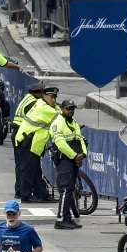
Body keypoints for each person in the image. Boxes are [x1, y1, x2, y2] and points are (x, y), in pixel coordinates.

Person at [12, 81, 57, 202]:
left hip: (25, 136)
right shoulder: (37, 104)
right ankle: (25, 194)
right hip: (26, 137)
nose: (54, 99)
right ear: (40, 94)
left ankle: (39, 193)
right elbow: (58, 117)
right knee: (27, 168)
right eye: (51, 96)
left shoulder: (28, 99)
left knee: (33, 168)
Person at [49, 98, 87, 229]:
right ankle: (60, 219)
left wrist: (83, 154)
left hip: (74, 159)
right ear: (62, 109)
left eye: (72, 109)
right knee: (66, 189)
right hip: (64, 159)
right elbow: (61, 144)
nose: (71, 111)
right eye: (68, 109)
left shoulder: (73, 122)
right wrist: (75, 156)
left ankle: (67, 217)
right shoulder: (57, 123)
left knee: (70, 189)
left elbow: (80, 139)